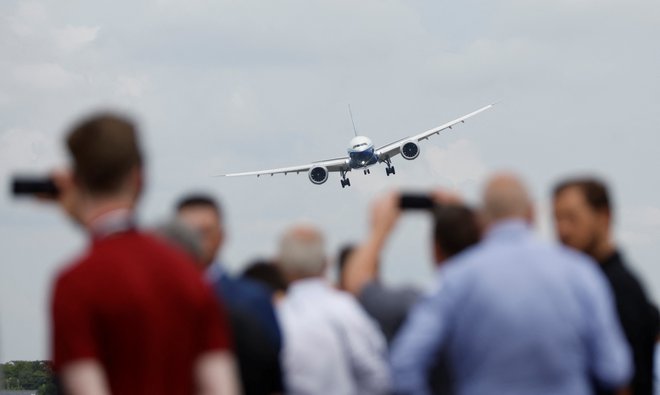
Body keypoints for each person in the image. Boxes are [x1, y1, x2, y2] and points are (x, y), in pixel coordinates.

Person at [391, 172, 632, 395]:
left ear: (482, 220)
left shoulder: (456, 277)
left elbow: (403, 365)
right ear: (532, 213)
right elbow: (615, 369)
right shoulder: (581, 272)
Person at [49, 114, 239, 395]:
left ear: (76, 183)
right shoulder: (188, 274)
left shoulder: (75, 283)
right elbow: (220, 385)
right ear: (140, 179)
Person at [553, 177, 660, 395]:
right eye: (557, 219)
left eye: (572, 218)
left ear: (604, 217)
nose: (563, 230)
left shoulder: (619, 288)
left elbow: (627, 383)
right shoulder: (581, 285)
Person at [176, 194, 284, 395]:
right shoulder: (156, 299)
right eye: (188, 233)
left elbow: (273, 372)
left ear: (222, 235)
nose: (197, 241)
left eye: (205, 232)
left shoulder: (253, 299)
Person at [343, 191, 480, 345]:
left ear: (435, 250)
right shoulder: (491, 303)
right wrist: (461, 218)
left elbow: (358, 282)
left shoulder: (416, 307)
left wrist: (379, 228)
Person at [276, 224, 390, 395]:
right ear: (326, 263)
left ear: (280, 266)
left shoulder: (278, 315)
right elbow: (376, 374)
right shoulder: (346, 309)